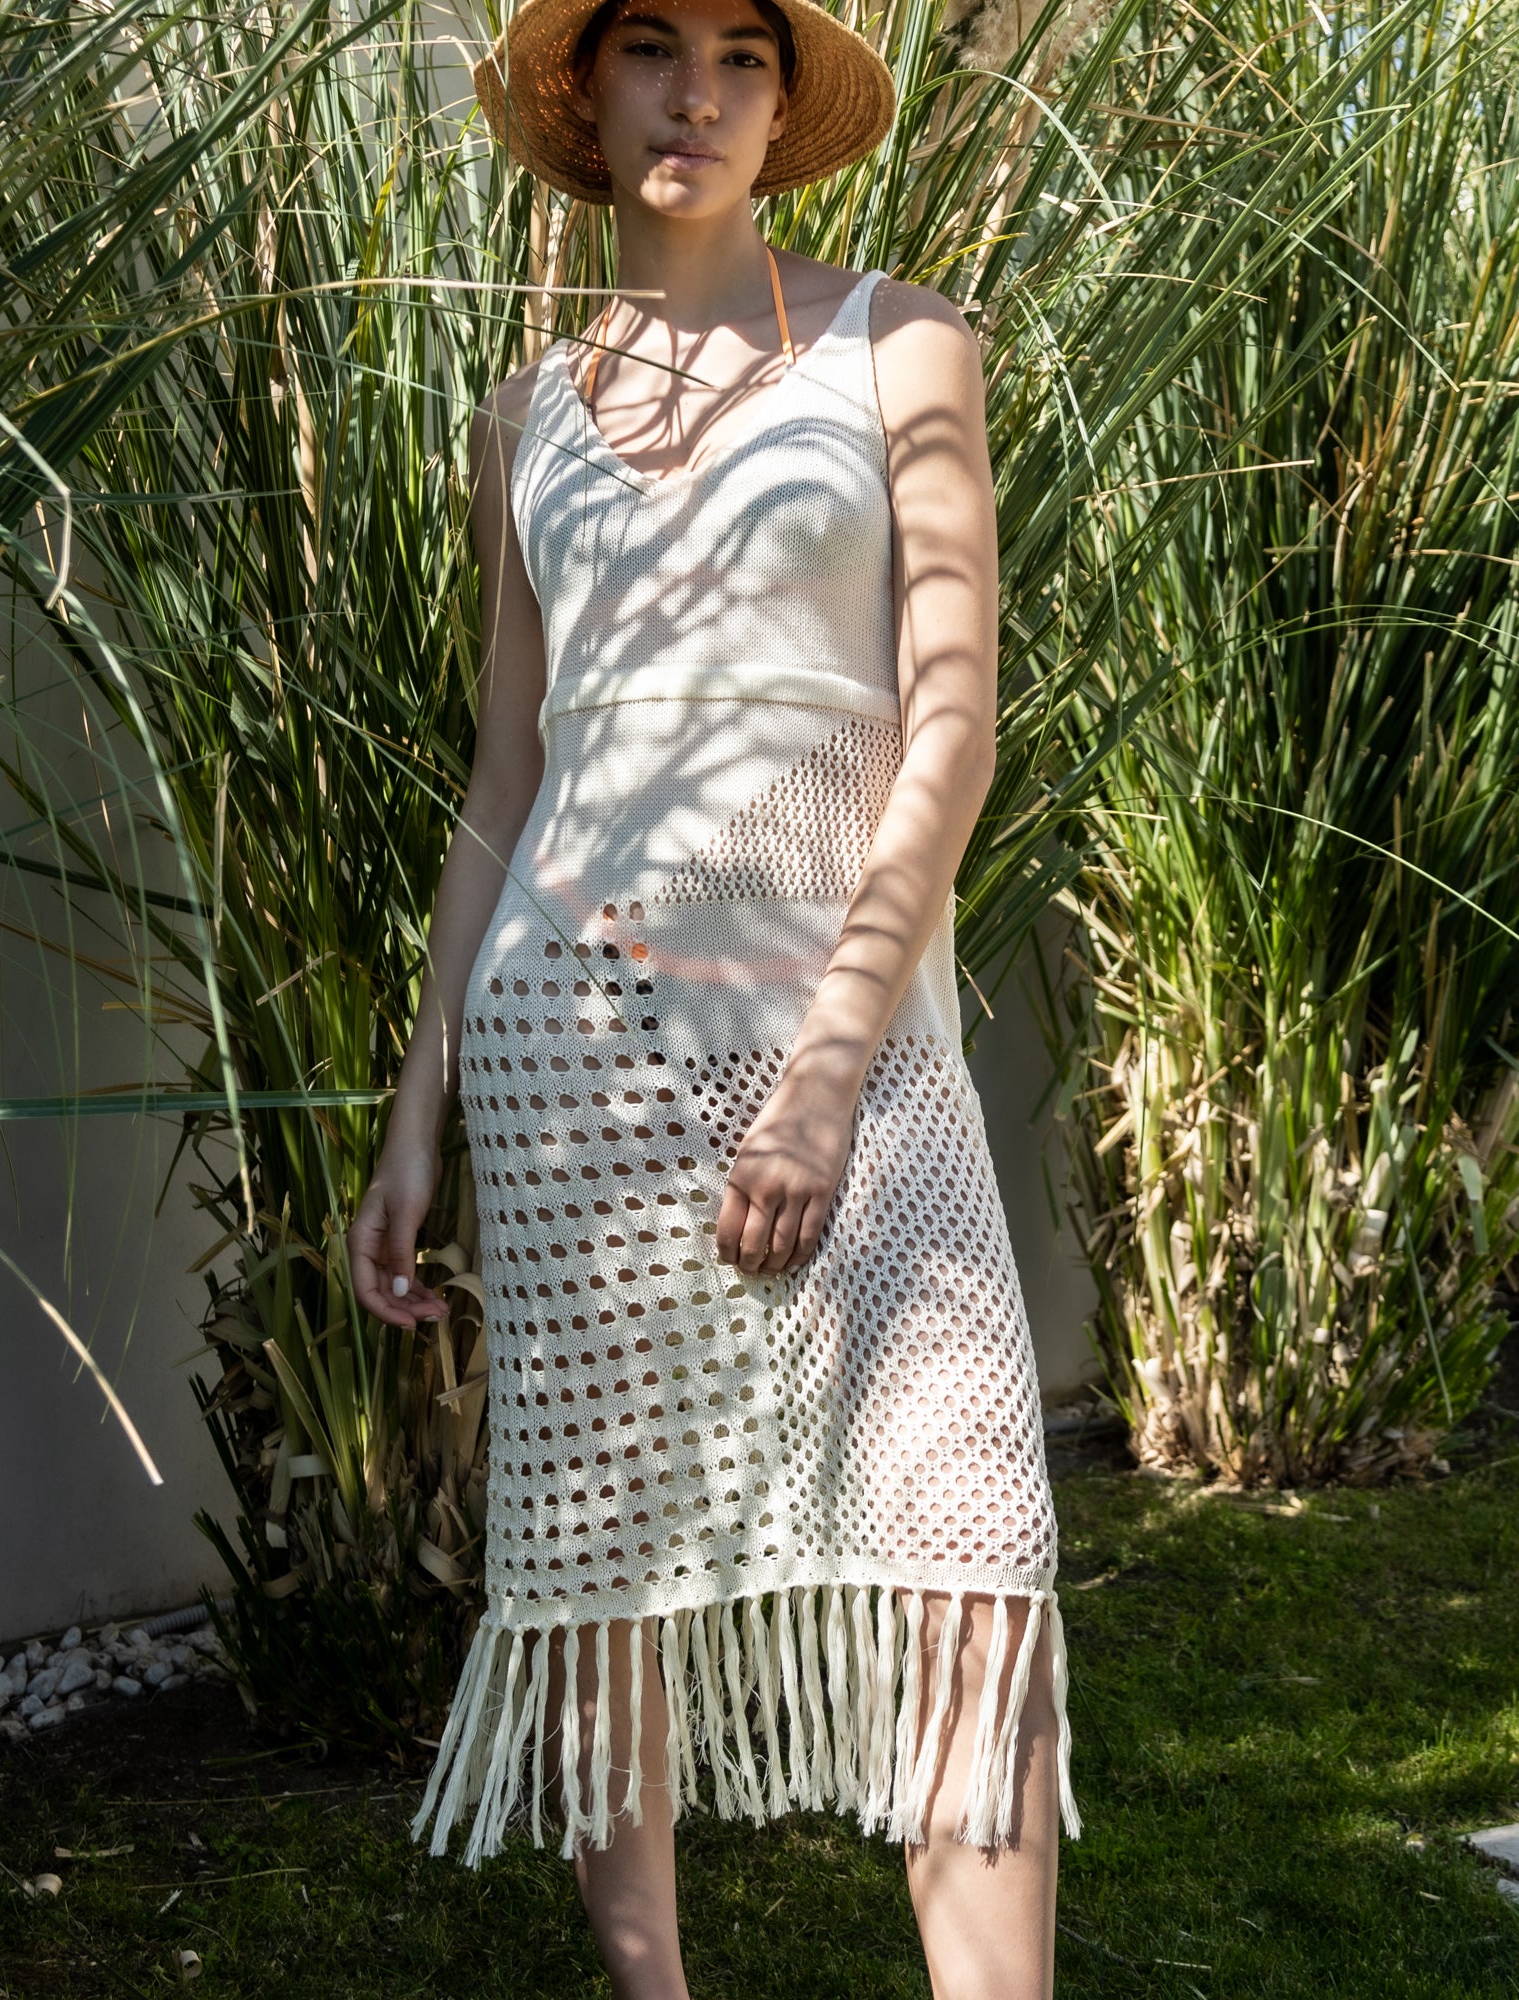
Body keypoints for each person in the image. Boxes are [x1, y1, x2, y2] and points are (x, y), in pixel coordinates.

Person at [346, 0, 1076, 1991]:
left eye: (740, 55)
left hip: (852, 1050)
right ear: (586, 92)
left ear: (781, 102)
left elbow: (952, 721)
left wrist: (835, 1059)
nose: (694, 90)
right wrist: (414, 1118)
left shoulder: (898, 343)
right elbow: (509, 784)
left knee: (961, 1553)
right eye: (650, 46)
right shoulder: (529, 413)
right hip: (565, 1053)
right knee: (600, 1575)